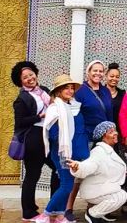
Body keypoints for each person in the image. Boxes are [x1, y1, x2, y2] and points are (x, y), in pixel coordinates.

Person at [34, 75, 90, 223]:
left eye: (72, 88)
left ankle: (59, 215)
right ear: (58, 91)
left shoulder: (69, 107)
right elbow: (53, 133)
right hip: (62, 153)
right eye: (66, 88)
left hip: (70, 152)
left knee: (67, 183)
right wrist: (65, 151)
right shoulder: (55, 109)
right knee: (67, 185)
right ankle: (45, 214)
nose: (70, 91)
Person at [11, 61, 59, 222]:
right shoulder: (22, 99)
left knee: (58, 168)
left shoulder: (44, 91)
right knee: (32, 174)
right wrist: (39, 116)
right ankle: (28, 211)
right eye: (25, 77)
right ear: (21, 81)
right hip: (34, 138)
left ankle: (54, 205)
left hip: (48, 135)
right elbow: (20, 122)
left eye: (31, 74)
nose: (30, 78)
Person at [67, 60, 113, 221]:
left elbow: (109, 115)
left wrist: (112, 133)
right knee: (80, 173)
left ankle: (94, 209)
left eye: (101, 71)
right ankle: (68, 208)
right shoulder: (81, 91)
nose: (98, 74)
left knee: (99, 173)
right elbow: (74, 115)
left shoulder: (105, 91)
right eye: (95, 71)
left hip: (103, 139)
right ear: (88, 72)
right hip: (85, 137)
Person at [66, 121, 127, 223]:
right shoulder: (98, 152)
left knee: (125, 193)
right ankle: (93, 214)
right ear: (103, 136)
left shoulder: (110, 151)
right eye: (111, 132)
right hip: (94, 190)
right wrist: (78, 167)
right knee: (120, 196)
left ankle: (99, 214)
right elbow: (89, 165)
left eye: (115, 130)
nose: (115, 133)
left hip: (103, 187)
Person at [105, 63, 125, 131]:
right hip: (104, 132)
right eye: (112, 76)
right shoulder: (99, 93)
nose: (114, 79)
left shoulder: (123, 94)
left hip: (118, 132)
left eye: (117, 77)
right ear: (106, 76)